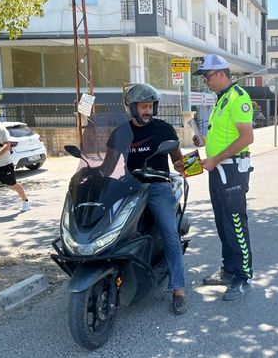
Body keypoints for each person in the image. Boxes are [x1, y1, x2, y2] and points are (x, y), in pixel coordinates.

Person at [101, 83, 188, 315]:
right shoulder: (121, 133)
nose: (148, 111)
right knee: (107, 223)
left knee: (170, 233)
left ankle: (178, 289)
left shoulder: (164, 129)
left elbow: (178, 160)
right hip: (130, 186)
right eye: (143, 106)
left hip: (157, 186)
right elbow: (109, 166)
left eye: (150, 106)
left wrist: (188, 166)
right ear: (132, 108)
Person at [188, 54, 254, 301]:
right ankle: (228, 270)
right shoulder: (222, 99)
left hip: (232, 169)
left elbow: (246, 138)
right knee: (222, 222)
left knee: (236, 222)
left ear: (220, 74)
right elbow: (224, 136)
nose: (205, 81)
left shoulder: (238, 97)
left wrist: (215, 159)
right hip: (218, 168)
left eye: (206, 77)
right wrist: (203, 142)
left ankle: (243, 277)